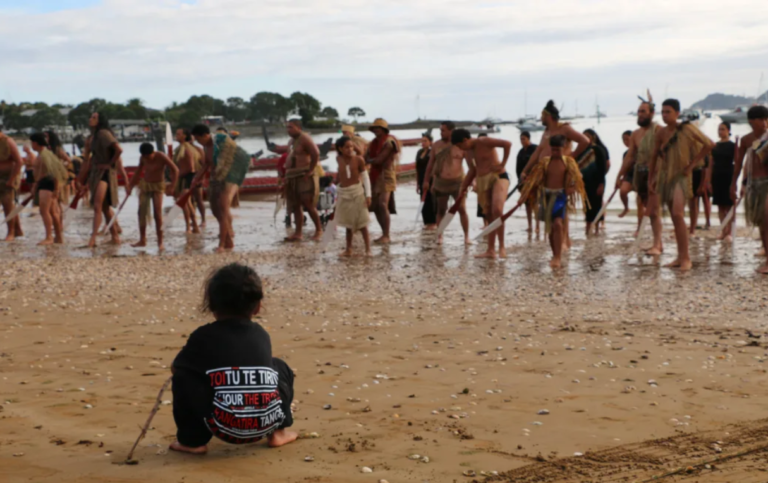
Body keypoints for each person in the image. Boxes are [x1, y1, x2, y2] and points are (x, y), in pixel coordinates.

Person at [170, 263, 297, 454]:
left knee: (183, 376)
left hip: (225, 427)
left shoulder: (203, 336)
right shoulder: (261, 334)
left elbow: (176, 368)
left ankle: (192, 441)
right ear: (257, 307)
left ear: (212, 304)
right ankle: (278, 432)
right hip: (265, 423)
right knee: (279, 366)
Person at [649, 99, 714, 271]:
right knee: (674, 217)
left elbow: (709, 144)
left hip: (682, 176)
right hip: (665, 177)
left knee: (678, 214)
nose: (664, 115)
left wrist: (692, 165)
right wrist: (651, 179)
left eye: (668, 112)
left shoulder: (686, 128)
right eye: (662, 112)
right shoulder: (661, 133)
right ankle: (680, 256)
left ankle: (686, 258)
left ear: (677, 113)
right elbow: (654, 156)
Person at [522, 101, 590, 250]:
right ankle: (561, 239)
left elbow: (584, 141)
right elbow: (538, 152)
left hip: (563, 171)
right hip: (546, 171)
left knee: (562, 204)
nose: (540, 118)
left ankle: (565, 240)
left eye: (542, 115)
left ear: (548, 116)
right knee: (550, 204)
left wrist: (571, 156)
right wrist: (526, 170)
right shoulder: (546, 133)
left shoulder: (564, 129)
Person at [520, 135, 587, 269]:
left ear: (564, 148)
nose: (555, 152)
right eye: (553, 150)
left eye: (558, 150)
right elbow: (535, 179)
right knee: (551, 228)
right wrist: (525, 193)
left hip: (560, 196)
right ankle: (554, 253)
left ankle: (558, 257)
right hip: (546, 196)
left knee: (557, 224)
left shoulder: (568, 162)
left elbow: (578, 177)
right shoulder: (545, 162)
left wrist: (572, 188)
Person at [453, 128, 512, 259]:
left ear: (465, 140)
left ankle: (501, 246)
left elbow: (507, 144)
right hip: (483, 180)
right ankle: (490, 250)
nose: (460, 148)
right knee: (489, 214)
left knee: (497, 209)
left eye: (459, 145)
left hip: (499, 176)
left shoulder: (483, 141)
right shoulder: (468, 152)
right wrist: (463, 187)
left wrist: (502, 163)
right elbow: (472, 170)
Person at [191, 124, 250, 253]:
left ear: (205, 135)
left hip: (230, 176)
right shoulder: (206, 146)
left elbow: (226, 160)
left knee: (223, 208)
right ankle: (228, 240)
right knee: (215, 210)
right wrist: (196, 178)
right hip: (216, 177)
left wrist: (218, 177)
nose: (197, 142)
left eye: (198, 139)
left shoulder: (222, 140)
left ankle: (222, 245)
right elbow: (207, 164)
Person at [617, 99, 662, 244]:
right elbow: (630, 157)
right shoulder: (635, 134)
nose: (640, 114)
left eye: (643, 111)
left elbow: (666, 155)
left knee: (654, 211)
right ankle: (649, 237)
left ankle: (657, 243)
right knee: (643, 205)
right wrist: (619, 176)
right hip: (640, 173)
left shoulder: (659, 131)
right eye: (639, 112)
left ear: (652, 113)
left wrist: (657, 175)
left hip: (655, 174)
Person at [76, 111, 122, 248]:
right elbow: (85, 161)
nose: (91, 119)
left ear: (100, 120)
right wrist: (80, 179)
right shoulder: (91, 138)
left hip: (105, 174)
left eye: (94, 117)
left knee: (97, 205)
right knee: (104, 207)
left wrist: (110, 164)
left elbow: (118, 150)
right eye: (90, 117)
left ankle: (92, 239)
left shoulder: (103, 133)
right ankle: (115, 237)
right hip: (95, 172)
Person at [272, 120, 322, 242]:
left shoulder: (305, 138)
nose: (288, 130)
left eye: (291, 127)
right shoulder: (291, 141)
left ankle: (319, 230)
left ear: (299, 128)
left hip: (303, 175)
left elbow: (316, 153)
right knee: (295, 205)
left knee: (308, 204)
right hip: (292, 176)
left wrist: (310, 170)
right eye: (287, 128)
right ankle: (298, 233)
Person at [423, 121, 471, 245]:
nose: (441, 132)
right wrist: (426, 181)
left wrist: (472, 181)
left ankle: (466, 236)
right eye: (440, 130)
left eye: (443, 130)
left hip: (458, 182)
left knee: (462, 209)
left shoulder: (460, 145)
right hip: (441, 182)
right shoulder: (436, 145)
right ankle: (440, 236)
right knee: (441, 210)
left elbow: (471, 165)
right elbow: (430, 164)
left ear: (451, 131)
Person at [733, 105, 768, 272]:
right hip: (754, 183)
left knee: (767, 219)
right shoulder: (746, 139)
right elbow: (739, 164)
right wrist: (735, 183)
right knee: (761, 222)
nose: (763, 123)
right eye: (759, 120)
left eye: (764, 120)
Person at [126, 143, 178, 251]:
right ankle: (142, 240)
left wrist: (173, 186)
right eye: (144, 156)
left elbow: (175, 170)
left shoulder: (161, 156)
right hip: (145, 185)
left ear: (153, 152)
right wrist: (130, 185)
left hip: (158, 186)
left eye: (148, 156)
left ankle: (160, 242)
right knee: (141, 212)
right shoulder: (143, 158)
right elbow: (138, 171)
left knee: (157, 214)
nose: (147, 158)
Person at [334, 137, 372, 256]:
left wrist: (368, 195)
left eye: (351, 146)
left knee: (362, 223)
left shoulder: (359, 160)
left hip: (357, 193)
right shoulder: (338, 159)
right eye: (347, 147)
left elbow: (365, 178)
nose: (350, 149)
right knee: (348, 223)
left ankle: (368, 249)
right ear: (340, 149)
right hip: (344, 194)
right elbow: (340, 175)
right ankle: (348, 249)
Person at [366, 118, 400, 244]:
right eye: (374, 128)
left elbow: (379, 160)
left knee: (382, 204)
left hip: (386, 175)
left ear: (383, 129)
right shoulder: (373, 143)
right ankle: (384, 233)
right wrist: (369, 160)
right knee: (375, 206)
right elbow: (366, 157)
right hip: (374, 175)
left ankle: (386, 234)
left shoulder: (390, 142)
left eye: (378, 128)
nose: (376, 130)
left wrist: (369, 160)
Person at [29, 133, 67, 245]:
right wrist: (35, 185)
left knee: (44, 211)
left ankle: (49, 236)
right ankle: (58, 237)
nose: (31, 145)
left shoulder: (45, 155)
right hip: (45, 183)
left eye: (32, 143)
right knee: (53, 212)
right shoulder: (45, 154)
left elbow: (54, 172)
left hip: (47, 184)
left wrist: (56, 189)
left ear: (35, 143)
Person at [710, 122, 737, 242]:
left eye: (723, 129)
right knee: (720, 205)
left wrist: (735, 180)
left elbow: (737, 162)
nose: (720, 132)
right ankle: (723, 230)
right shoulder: (715, 145)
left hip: (728, 175)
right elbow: (711, 163)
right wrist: (708, 180)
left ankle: (729, 232)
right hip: (717, 176)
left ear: (728, 130)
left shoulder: (733, 145)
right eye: (719, 129)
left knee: (730, 205)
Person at [580, 129, 610, 236]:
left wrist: (601, 183)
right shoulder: (581, 150)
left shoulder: (598, 149)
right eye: (583, 136)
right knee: (587, 205)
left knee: (597, 204)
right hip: (585, 182)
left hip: (597, 181)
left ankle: (596, 228)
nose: (586, 138)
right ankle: (588, 227)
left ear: (593, 137)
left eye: (588, 136)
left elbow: (603, 167)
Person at [617, 129, 645, 235]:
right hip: (630, 176)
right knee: (623, 191)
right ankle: (626, 207)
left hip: (641, 176)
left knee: (640, 203)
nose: (625, 142)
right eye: (623, 140)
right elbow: (625, 167)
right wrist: (620, 178)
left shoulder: (641, 150)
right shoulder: (625, 154)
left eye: (627, 139)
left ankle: (639, 227)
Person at [173, 128, 200, 234]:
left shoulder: (187, 149)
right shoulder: (180, 148)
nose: (176, 135)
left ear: (184, 136)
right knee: (186, 203)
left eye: (178, 134)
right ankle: (193, 226)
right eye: (176, 134)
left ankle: (191, 226)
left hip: (187, 177)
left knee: (185, 203)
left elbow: (191, 167)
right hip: (183, 176)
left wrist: (177, 176)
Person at [0, 127, 24, 241]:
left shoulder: (7, 141)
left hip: (10, 176)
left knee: (7, 204)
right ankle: (18, 230)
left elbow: (19, 161)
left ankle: (11, 232)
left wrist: (12, 179)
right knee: (9, 205)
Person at [516, 131, 539, 234]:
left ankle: (537, 225)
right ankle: (530, 225)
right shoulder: (520, 152)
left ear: (528, 139)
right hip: (523, 182)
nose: (522, 141)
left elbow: (540, 163)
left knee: (535, 203)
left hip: (534, 180)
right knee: (527, 204)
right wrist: (520, 180)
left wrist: (533, 176)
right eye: (521, 139)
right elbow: (518, 169)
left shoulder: (535, 149)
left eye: (524, 139)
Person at [415, 133, 436, 229]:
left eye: (425, 141)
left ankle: (433, 223)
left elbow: (434, 168)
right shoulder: (419, 152)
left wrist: (432, 182)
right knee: (423, 202)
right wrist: (417, 184)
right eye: (422, 141)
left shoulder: (432, 152)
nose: (423, 143)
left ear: (430, 142)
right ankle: (426, 223)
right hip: (421, 180)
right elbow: (417, 169)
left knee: (431, 201)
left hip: (430, 180)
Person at [45, 131, 73, 203]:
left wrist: (60, 166)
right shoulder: (46, 149)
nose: (45, 138)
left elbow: (68, 160)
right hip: (49, 175)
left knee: (57, 198)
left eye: (46, 137)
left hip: (57, 176)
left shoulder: (57, 149)